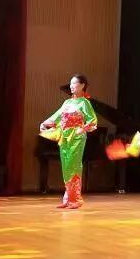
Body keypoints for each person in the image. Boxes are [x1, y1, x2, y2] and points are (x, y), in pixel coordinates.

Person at [39, 74, 98, 209]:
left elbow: (93, 121)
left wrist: (82, 129)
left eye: (74, 83)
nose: (71, 86)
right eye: (70, 83)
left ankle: (76, 199)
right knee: (66, 167)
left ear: (82, 85)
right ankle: (68, 199)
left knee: (74, 166)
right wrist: (45, 123)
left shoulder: (84, 103)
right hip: (64, 137)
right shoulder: (67, 103)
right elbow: (57, 116)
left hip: (77, 137)